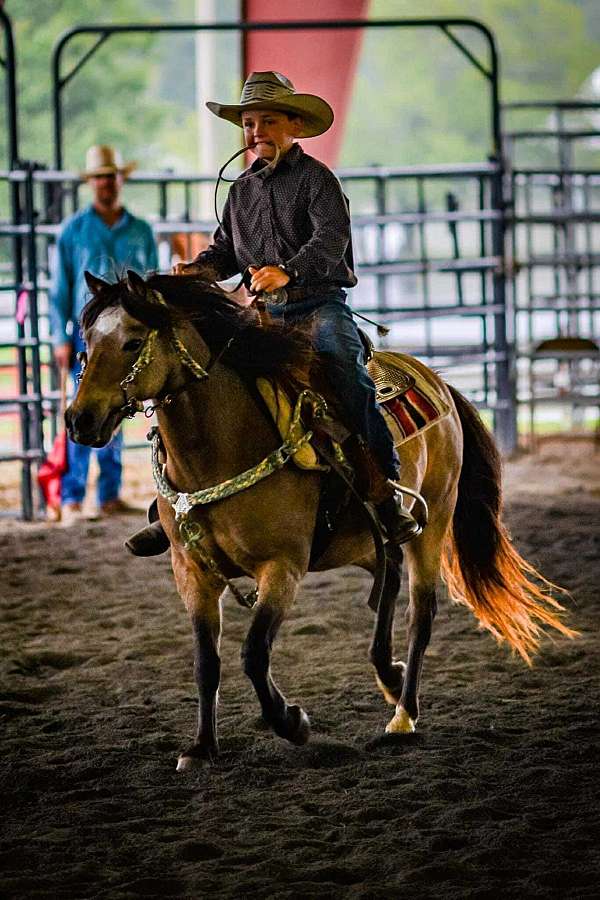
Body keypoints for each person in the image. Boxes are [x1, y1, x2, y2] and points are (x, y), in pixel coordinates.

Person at [127, 71, 418, 556]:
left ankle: (385, 488)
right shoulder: (240, 191)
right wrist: (198, 271)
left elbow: (330, 242)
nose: (256, 131)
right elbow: (226, 251)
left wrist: (288, 271)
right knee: (196, 373)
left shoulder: (319, 182)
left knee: (345, 365)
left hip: (317, 306)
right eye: (248, 122)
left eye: (267, 121)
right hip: (260, 314)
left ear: (295, 127)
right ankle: (173, 506)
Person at [49, 145, 158, 524]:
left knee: (116, 408)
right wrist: (60, 337)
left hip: (127, 332)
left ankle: (109, 494)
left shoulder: (142, 230)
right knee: (84, 410)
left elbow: (151, 283)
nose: (104, 184)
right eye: (98, 177)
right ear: (91, 183)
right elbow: (60, 289)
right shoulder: (73, 231)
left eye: (109, 176)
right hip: (90, 334)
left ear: (118, 180)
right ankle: (73, 495)